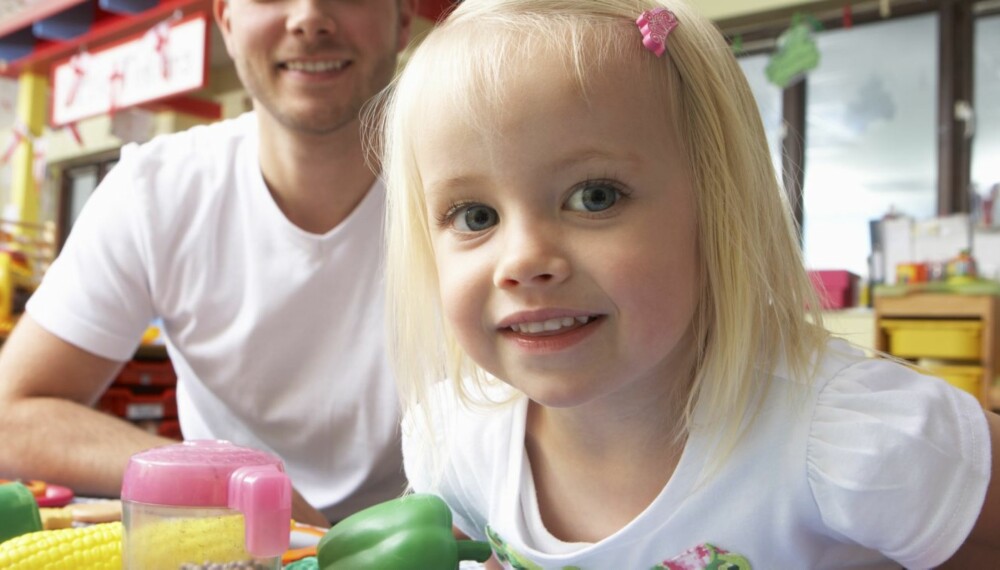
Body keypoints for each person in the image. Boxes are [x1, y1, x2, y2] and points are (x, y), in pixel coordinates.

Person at [374, 0, 1000, 567]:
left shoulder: (843, 439)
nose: (524, 260)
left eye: (594, 197)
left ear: (718, 209)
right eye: (475, 216)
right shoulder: (455, 438)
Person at [0, 0, 416, 526]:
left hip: (442, 543)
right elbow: (12, 414)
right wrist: (224, 481)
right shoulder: (155, 191)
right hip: (227, 546)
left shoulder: (475, 185)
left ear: (403, 18)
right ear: (226, 20)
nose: (309, 17)